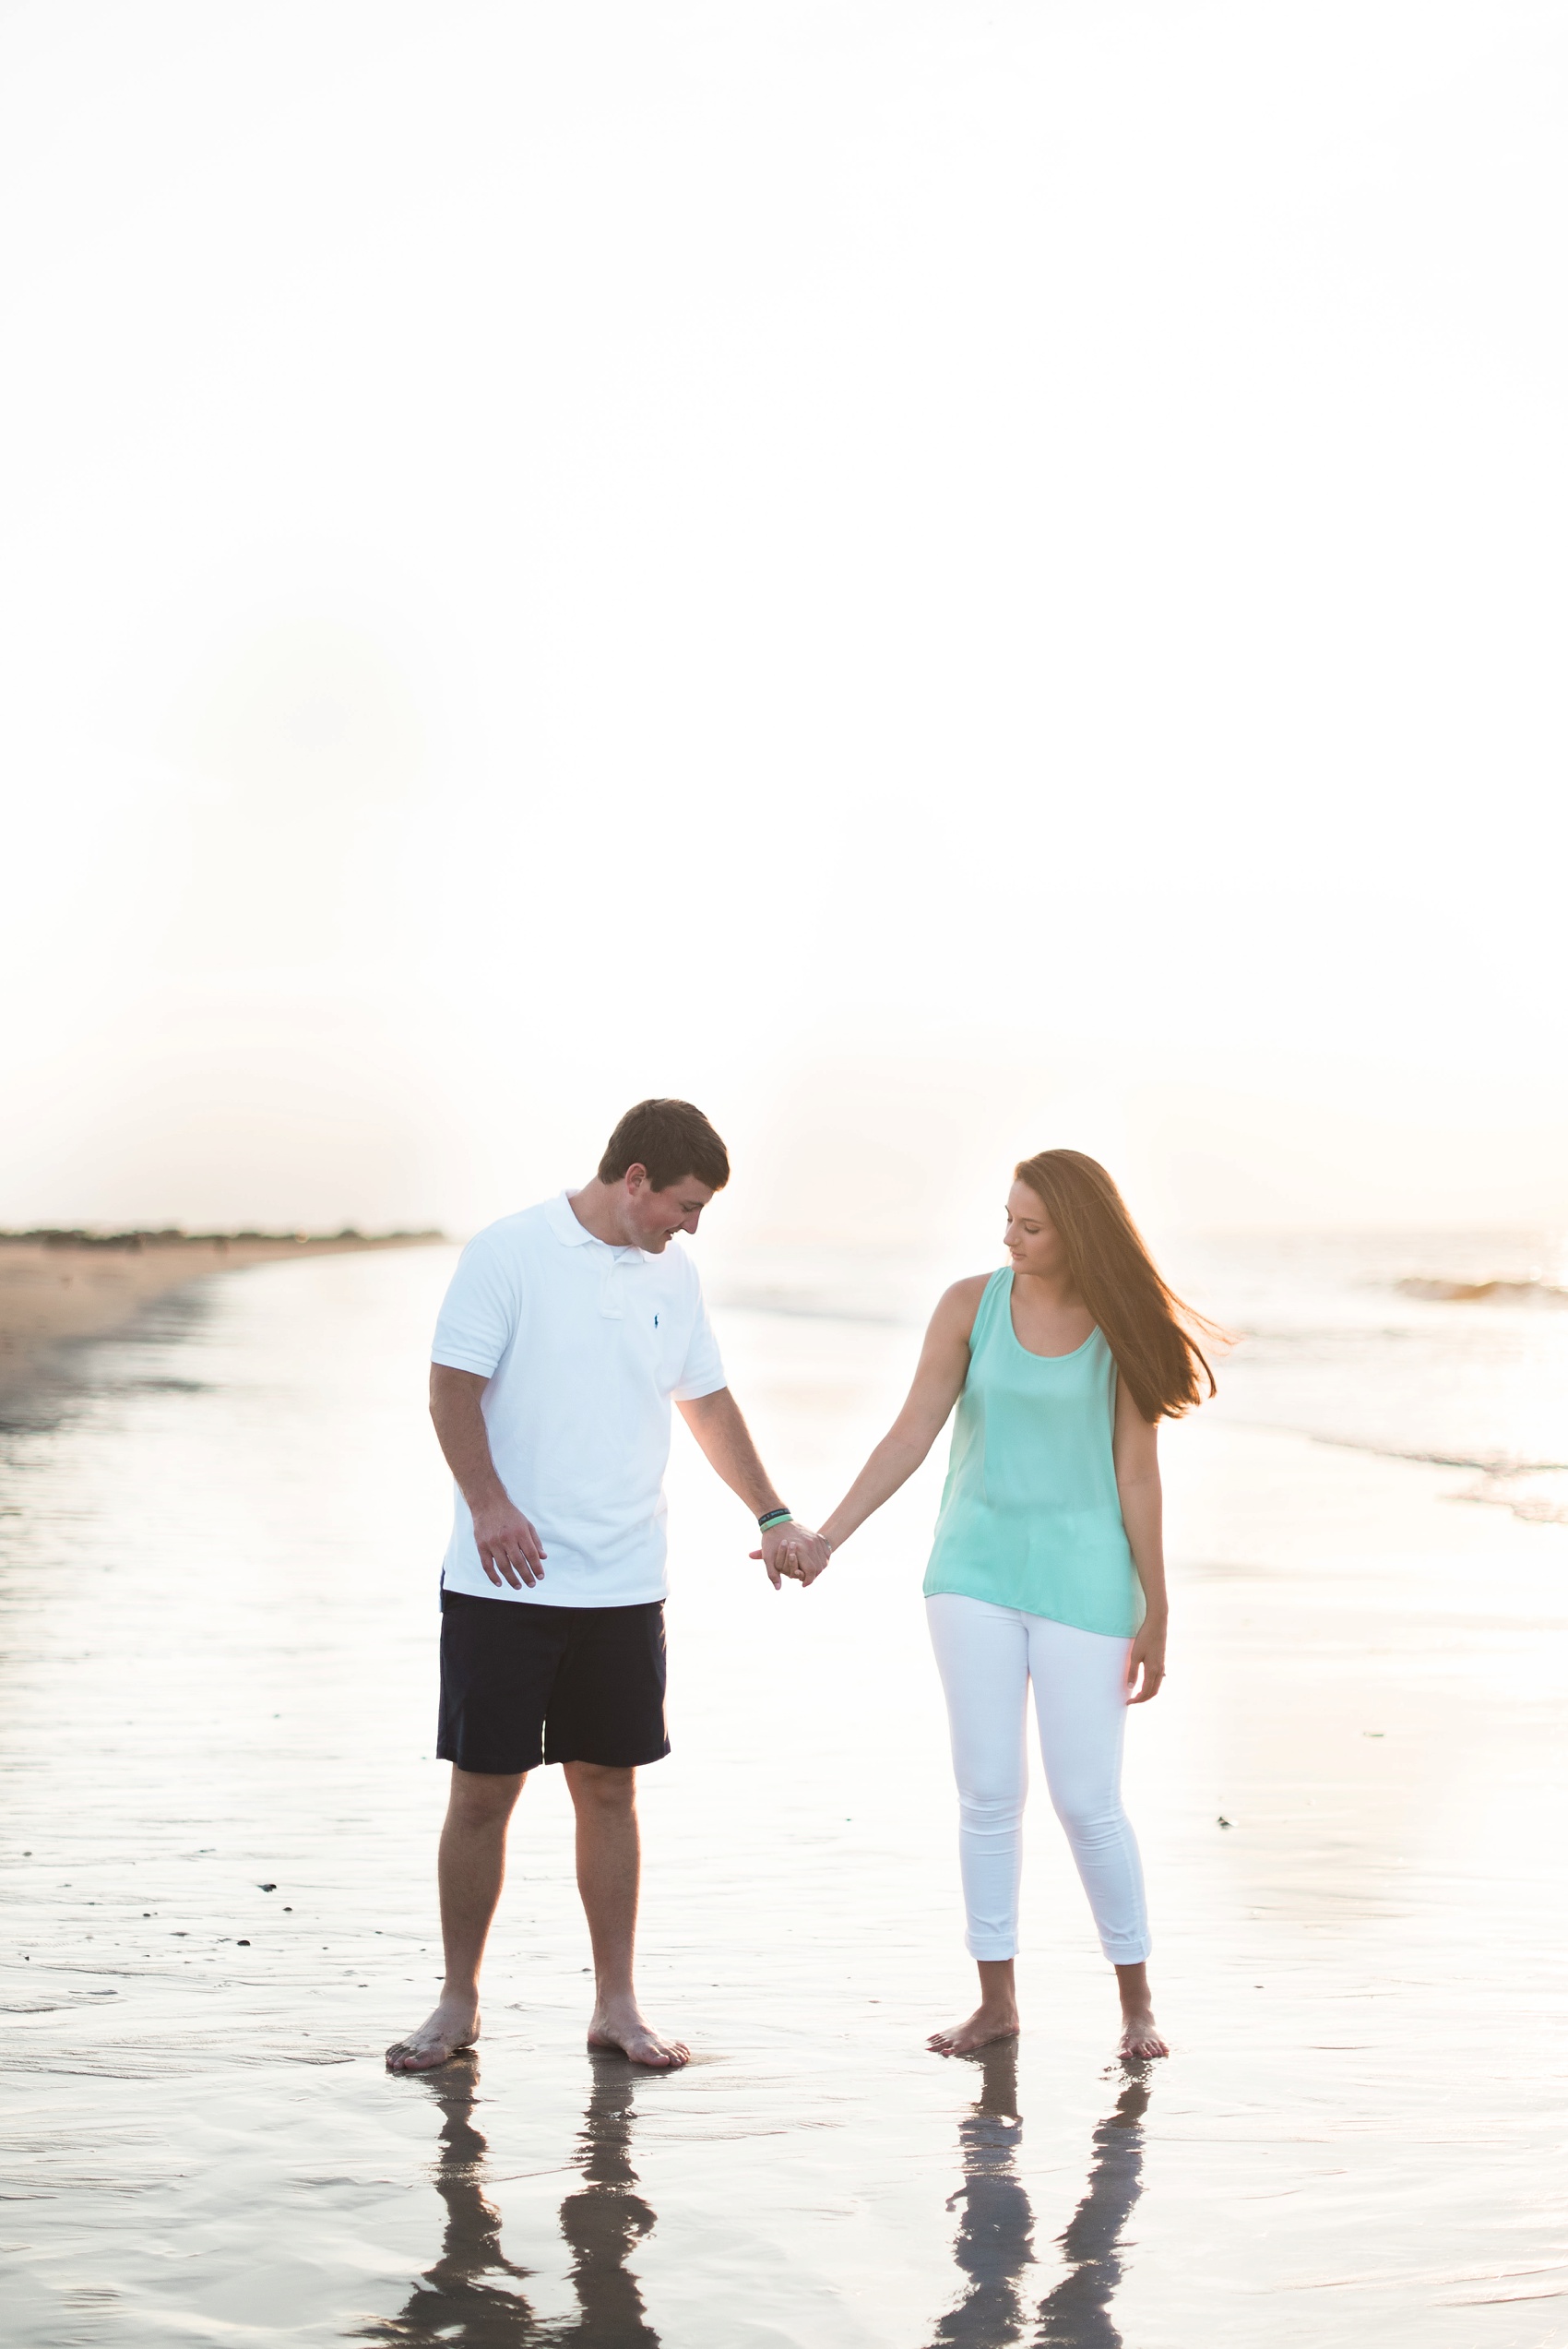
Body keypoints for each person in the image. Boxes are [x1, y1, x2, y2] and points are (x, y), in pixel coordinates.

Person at [386, 1098, 829, 2075]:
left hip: (624, 1582)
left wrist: (769, 1513)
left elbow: (704, 1397)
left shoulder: (676, 1273)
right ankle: (456, 2002)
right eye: (683, 1203)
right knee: (481, 1794)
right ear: (633, 1180)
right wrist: (489, 1503)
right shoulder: (508, 1252)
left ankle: (616, 2004)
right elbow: (448, 1385)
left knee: (610, 1788)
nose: (691, 1223)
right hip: (505, 1579)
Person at [787, 1150, 1218, 2061]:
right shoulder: (968, 1306)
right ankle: (995, 2003)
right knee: (987, 1792)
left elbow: (1137, 1472)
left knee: (1086, 1800)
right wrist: (828, 1534)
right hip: (972, 1574)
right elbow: (911, 1429)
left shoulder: (1118, 1325)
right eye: (1006, 1218)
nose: (1009, 1237)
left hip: (1088, 1585)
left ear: (1078, 1233)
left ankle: (1136, 2004)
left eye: (1029, 1225)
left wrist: (1158, 1607)